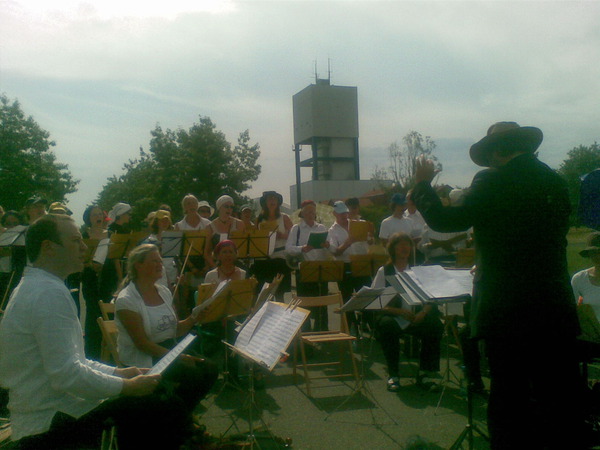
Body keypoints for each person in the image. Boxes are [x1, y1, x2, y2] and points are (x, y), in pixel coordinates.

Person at [412, 122, 582, 449]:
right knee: (555, 399)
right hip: (554, 308)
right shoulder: (556, 181)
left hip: (509, 312)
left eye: (490, 155)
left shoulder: (492, 180)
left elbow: (446, 222)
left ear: (499, 151)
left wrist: (422, 183)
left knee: (509, 399)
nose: (489, 163)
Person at [0, 214, 190, 449]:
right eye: (75, 241)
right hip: (48, 421)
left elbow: (75, 361)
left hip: (55, 409)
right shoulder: (47, 293)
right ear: (48, 248)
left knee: (160, 401)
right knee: (161, 406)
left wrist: (119, 373)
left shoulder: (43, 286)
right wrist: (127, 386)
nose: (83, 247)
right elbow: (66, 375)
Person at [115, 245, 217, 403]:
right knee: (194, 376)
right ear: (138, 265)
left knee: (210, 369)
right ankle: (179, 414)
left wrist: (194, 318)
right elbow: (142, 344)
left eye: (160, 261)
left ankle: (181, 412)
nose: (159, 264)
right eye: (154, 261)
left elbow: (175, 330)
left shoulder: (163, 291)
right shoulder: (126, 300)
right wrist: (179, 357)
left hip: (168, 348)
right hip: (146, 357)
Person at [372, 232, 443, 392]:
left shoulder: (418, 270)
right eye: (400, 245)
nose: (405, 248)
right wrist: (398, 312)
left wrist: (423, 313)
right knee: (386, 326)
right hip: (394, 317)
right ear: (393, 249)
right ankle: (393, 375)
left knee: (435, 325)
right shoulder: (385, 271)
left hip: (416, 316)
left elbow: (430, 298)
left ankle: (425, 373)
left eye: (408, 244)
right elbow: (376, 302)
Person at [285, 200, 331, 331]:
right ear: (302, 213)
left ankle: (322, 331)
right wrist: (302, 248)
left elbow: (330, 247)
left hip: (320, 270)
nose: (311, 214)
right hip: (304, 270)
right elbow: (288, 248)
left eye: (313, 211)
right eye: (308, 211)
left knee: (322, 303)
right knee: (304, 303)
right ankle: (305, 333)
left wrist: (327, 245)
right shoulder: (296, 228)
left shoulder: (322, 228)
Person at [328, 200, 372, 332]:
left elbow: (368, 242)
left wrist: (370, 240)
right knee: (347, 299)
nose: (344, 215)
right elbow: (335, 252)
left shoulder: (360, 224)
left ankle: (368, 322)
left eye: (345, 213)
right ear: (334, 213)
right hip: (345, 266)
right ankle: (352, 328)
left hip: (361, 263)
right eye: (341, 213)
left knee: (366, 296)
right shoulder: (332, 230)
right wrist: (348, 242)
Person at [81, 204, 110, 359]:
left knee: (106, 312)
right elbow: (78, 258)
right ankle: (92, 352)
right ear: (88, 218)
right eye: (94, 215)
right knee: (93, 312)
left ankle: (107, 349)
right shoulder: (83, 236)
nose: (98, 217)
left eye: (100, 214)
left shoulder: (110, 235)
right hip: (89, 277)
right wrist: (89, 265)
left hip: (107, 278)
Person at [253, 191, 292, 300]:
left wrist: (282, 235)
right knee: (264, 293)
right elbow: (254, 237)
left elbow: (294, 235)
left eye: (274, 199)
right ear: (265, 202)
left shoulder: (284, 218)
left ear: (278, 202)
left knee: (280, 294)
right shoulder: (259, 219)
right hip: (264, 258)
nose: (272, 201)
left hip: (280, 257)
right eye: (269, 199)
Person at [572, 232, 600, 319]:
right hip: (592, 331)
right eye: (593, 252)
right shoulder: (579, 279)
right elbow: (577, 313)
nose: (598, 256)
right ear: (589, 254)